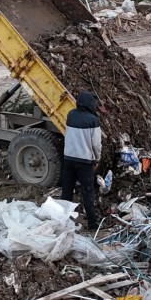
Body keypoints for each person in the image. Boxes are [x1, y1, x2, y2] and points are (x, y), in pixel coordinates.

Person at [61, 91, 102, 230]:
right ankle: (92, 223)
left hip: (68, 159)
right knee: (87, 191)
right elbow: (96, 144)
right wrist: (97, 158)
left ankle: (64, 220)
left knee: (67, 190)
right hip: (84, 161)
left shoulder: (71, 115)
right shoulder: (93, 120)